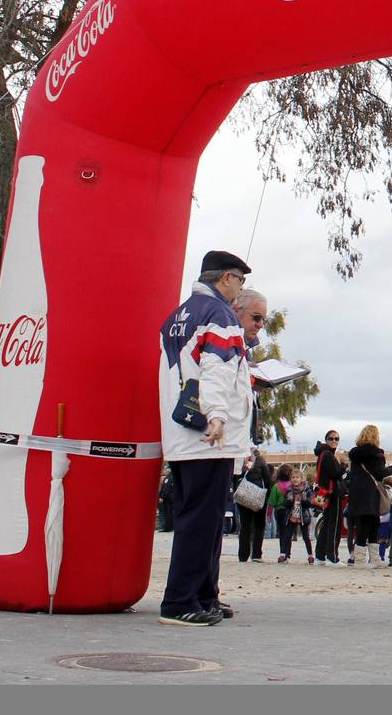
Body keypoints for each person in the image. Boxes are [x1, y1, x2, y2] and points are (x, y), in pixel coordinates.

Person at [158, 250, 254, 626]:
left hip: (181, 433)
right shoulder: (220, 315)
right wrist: (215, 415)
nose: (239, 290)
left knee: (200, 517)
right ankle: (180, 601)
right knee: (202, 520)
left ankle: (202, 594)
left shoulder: (178, 315)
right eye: (240, 281)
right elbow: (215, 367)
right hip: (208, 436)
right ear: (227, 278)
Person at [347, 425, 392, 567]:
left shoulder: (355, 454)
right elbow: (380, 473)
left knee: (363, 524)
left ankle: (362, 558)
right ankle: (369, 559)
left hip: (357, 492)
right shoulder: (376, 453)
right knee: (372, 524)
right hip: (371, 492)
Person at [232, 288, 268, 445]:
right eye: (256, 317)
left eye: (263, 320)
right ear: (236, 311)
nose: (260, 325)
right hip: (220, 442)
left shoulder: (244, 350)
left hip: (238, 441)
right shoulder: (225, 344)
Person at [313, 430, 345, 565]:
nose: (334, 441)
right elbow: (336, 473)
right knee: (334, 525)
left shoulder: (322, 453)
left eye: (336, 439)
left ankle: (320, 556)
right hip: (332, 494)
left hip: (325, 494)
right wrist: (343, 464)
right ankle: (332, 557)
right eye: (331, 439)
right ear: (326, 440)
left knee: (327, 525)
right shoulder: (327, 455)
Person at [236, 448, 272, 562]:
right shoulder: (260, 460)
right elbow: (267, 480)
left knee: (244, 526)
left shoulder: (241, 459)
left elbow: (235, 477)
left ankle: (243, 555)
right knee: (259, 526)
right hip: (258, 497)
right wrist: (266, 495)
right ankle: (256, 554)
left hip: (243, 496)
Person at [157, 467, 175, 532]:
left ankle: (168, 527)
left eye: (165, 470)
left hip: (168, 498)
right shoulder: (168, 477)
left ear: (168, 471)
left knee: (168, 513)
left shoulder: (169, 478)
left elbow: (166, 489)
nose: (164, 471)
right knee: (168, 513)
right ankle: (169, 527)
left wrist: (162, 497)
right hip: (168, 498)